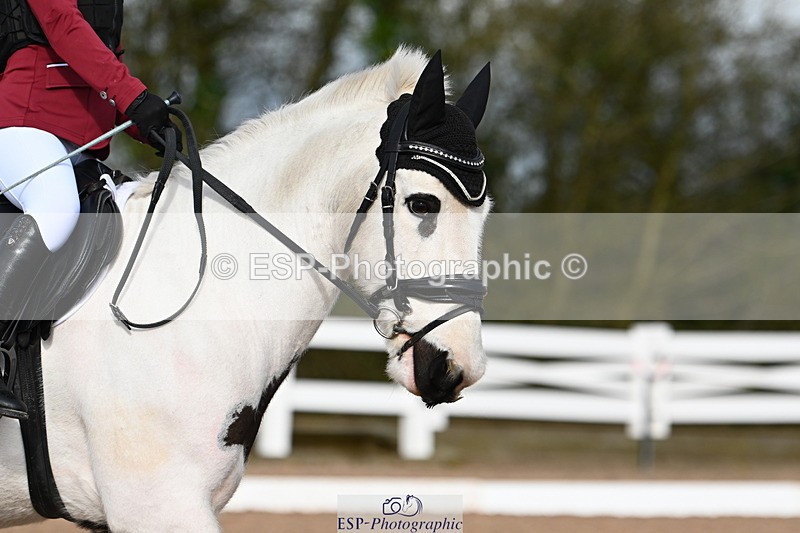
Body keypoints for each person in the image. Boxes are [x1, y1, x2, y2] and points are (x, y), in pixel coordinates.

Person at [0, 0, 176, 419]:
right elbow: (64, 26)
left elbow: (95, 59)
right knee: (55, 206)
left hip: (79, 141)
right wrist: (134, 99)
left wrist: (142, 120)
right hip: (24, 125)